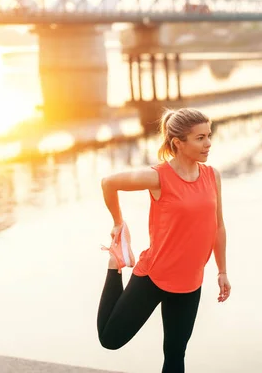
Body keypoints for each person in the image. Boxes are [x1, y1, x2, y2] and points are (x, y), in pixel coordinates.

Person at [97, 107, 231, 373]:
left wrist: (222, 270)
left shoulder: (212, 175)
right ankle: (115, 265)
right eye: (200, 138)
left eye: (209, 135)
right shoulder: (158, 177)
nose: (208, 143)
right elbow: (108, 182)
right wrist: (117, 222)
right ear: (178, 144)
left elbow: (218, 226)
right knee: (111, 340)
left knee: (175, 353)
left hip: (190, 281)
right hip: (155, 275)